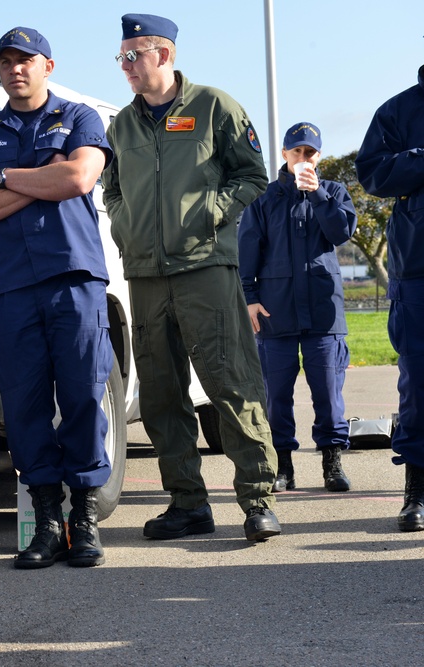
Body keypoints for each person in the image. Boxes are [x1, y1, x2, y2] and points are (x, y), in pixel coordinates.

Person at [102, 14, 281, 542]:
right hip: (145, 275)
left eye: (136, 55)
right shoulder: (121, 125)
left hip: (205, 268)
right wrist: (125, 225)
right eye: (122, 57)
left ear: (166, 55)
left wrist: (210, 213)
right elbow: (112, 189)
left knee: (231, 383)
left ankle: (258, 500)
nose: (127, 66)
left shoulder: (214, 107)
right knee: (160, 395)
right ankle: (187, 503)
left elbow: (253, 175)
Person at [0, 27, 115, 568]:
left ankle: (84, 520)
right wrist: (36, 177)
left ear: (48, 65)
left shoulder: (80, 118)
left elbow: (77, 178)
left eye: (25, 60)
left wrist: (3, 180)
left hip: (74, 279)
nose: (14, 69)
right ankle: (46, 522)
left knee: (84, 396)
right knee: (22, 405)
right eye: (6, 61)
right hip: (11, 285)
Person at [239, 122, 358, 493]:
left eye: (310, 153)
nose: (303, 159)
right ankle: (283, 466)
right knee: (276, 395)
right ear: (285, 155)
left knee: (328, 392)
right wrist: (250, 299)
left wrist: (319, 194)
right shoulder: (264, 197)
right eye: (297, 152)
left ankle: (332, 461)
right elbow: (248, 250)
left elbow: (341, 233)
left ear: (319, 156)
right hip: (276, 311)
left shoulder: (335, 191)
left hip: (324, 311)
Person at [355, 60, 424, 532]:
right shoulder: (398, 111)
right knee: (420, 382)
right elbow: (372, 174)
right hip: (418, 270)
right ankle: (418, 488)